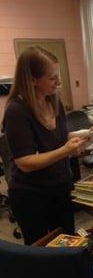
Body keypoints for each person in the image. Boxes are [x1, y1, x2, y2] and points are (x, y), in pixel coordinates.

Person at [2, 46, 88, 245]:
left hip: (60, 187)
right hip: (32, 195)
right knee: (42, 252)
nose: (59, 82)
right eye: (52, 78)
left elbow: (59, 137)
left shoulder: (54, 101)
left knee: (68, 244)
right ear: (31, 80)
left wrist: (83, 137)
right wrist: (65, 150)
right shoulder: (16, 110)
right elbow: (24, 162)